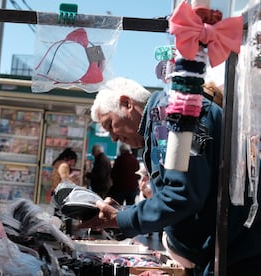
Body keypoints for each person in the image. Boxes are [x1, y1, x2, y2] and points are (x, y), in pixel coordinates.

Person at [79, 76, 261, 275]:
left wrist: (121, 218)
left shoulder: (172, 117)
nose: (113, 137)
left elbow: (180, 196)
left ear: (126, 103)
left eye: (110, 125)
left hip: (235, 256)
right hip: (227, 253)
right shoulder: (164, 120)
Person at [50, 147, 78, 235]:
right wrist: (74, 177)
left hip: (56, 191)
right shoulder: (64, 165)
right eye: (74, 161)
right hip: (62, 192)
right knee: (67, 213)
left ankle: (54, 231)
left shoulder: (58, 163)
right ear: (70, 159)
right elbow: (65, 180)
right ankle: (68, 233)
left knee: (58, 213)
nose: (73, 164)